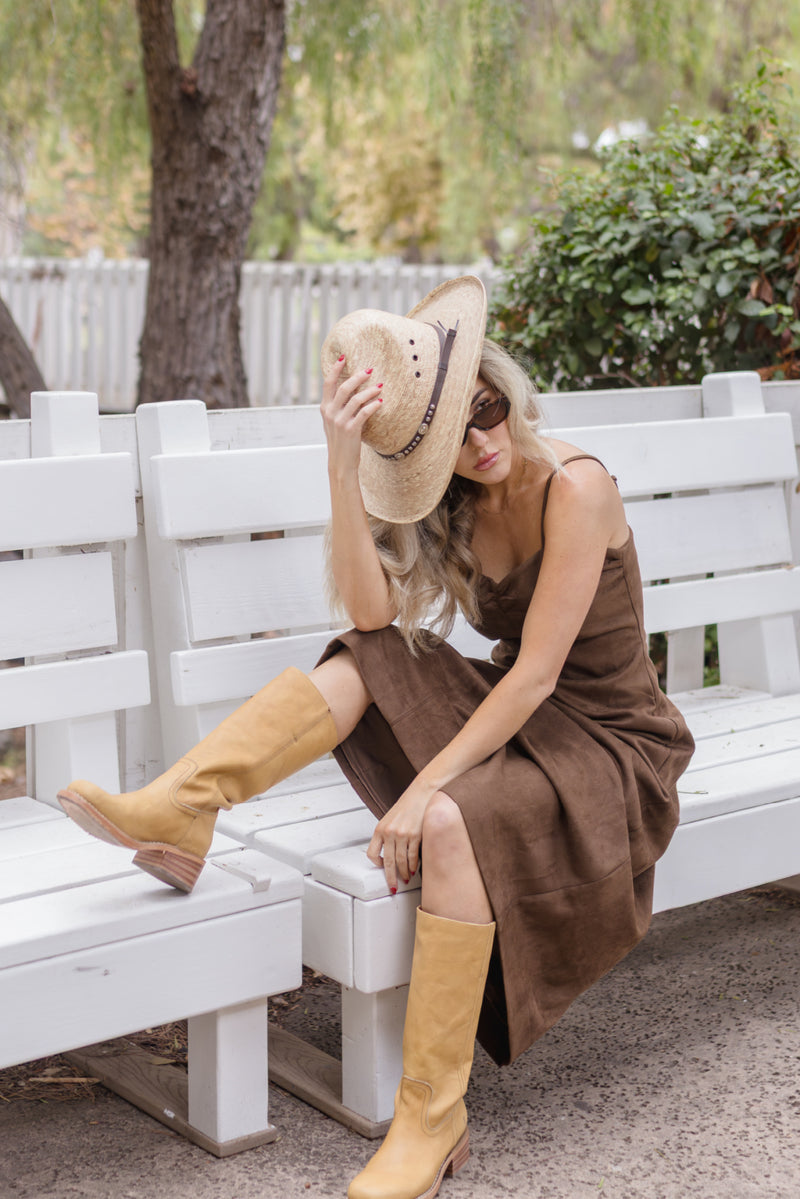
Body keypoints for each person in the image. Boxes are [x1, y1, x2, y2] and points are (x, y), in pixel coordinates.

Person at [57, 275, 694, 1199]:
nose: (484, 443)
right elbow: (367, 614)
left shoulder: (577, 487)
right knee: (371, 651)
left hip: (608, 746)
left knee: (444, 825)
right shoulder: (460, 503)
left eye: (488, 409)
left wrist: (422, 787)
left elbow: (536, 676)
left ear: (504, 387)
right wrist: (339, 459)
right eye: (455, 435)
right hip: (527, 726)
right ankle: (186, 807)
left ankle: (431, 1121)